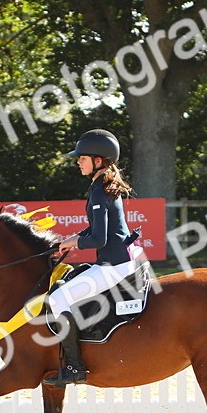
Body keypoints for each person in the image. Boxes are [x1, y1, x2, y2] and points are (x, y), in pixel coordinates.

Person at [43, 129, 144, 388]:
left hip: (114, 266)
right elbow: (97, 230)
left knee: (58, 298)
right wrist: (70, 240)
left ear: (98, 161)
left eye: (82, 158)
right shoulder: (102, 186)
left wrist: (75, 241)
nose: (78, 161)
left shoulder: (100, 190)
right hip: (116, 261)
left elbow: (98, 240)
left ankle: (74, 367)